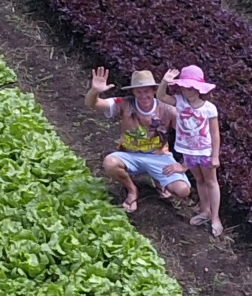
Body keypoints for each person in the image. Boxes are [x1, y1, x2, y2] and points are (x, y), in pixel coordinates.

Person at [90, 67, 190, 215]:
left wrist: (184, 165)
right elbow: (93, 104)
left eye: (146, 91)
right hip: (130, 155)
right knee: (110, 163)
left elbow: (190, 137)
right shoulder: (123, 103)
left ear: (153, 91)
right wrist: (95, 91)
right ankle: (132, 190)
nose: (143, 95)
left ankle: (158, 180)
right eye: (139, 91)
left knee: (183, 190)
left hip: (158, 156)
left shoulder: (168, 110)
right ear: (133, 92)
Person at [168, 65, 224, 236]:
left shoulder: (209, 108)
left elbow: (215, 133)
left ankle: (215, 217)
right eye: (184, 87)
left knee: (211, 182)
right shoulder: (179, 101)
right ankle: (204, 211)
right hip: (188, 151)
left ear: (199, 89)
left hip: (205, 151)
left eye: (191, 88)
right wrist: (165, 82)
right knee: (199, 180)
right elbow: (161, 96)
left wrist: (215, 156)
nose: (187, 91)